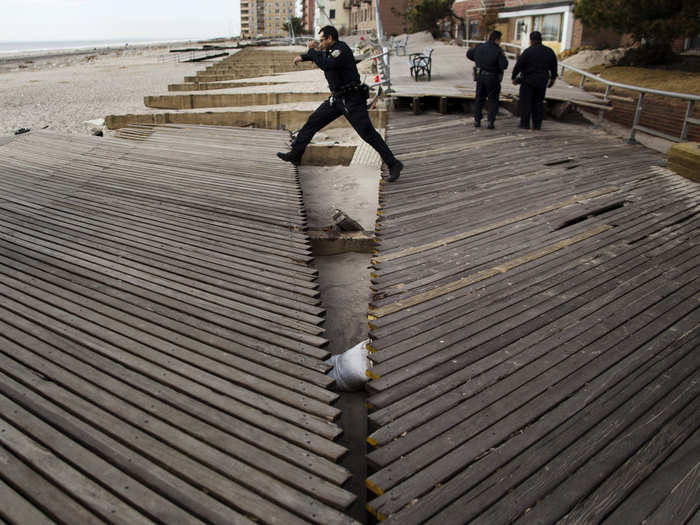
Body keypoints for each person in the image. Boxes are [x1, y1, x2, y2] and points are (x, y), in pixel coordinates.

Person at [276, 25, 403, 182]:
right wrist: (304, 57)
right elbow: (322, 56)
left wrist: (311, 51)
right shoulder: (330, 50)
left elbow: (327, 64)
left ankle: (394, 164)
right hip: (337, 99)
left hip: (352, 100)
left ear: (330, 39)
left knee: (367, 133)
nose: (320, 43)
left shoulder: (340, 50)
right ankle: (296, 155)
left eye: (322, 40)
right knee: (313, 122)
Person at [512, 31, 558, 130]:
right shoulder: (549, 51)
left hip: (528, 81)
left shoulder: (528, 51)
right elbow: (554, 67)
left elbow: (518, 65)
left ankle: (525, 124)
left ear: (531, 40)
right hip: (542, 81)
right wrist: (553, 79)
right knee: (538, 103)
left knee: (526, 103)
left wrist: (514, 77)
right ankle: (537, 124)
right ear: (541, 40)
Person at [466, 30, 508, 129]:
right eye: (500, 40)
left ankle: (477, 120)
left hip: (480, 76)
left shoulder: (480, 47)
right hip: (493, 77)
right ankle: (490, 121)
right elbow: (504, 65)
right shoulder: (498, 50)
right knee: (493, 99)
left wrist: (477, 60)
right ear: (497, 40)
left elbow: (469, 54)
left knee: (479, 98)